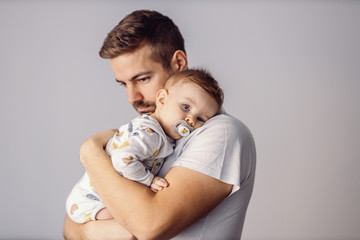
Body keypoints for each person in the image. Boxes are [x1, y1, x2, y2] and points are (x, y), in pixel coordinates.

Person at [63, 9, 256, 240]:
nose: (132, 97)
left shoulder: (221, 133)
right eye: (123, 84)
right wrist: (110, 229)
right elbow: (71, 223)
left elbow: (147, 227)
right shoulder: (151, 133)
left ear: (179, 63)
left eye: (142, 79)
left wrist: (90, 151)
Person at [65, 69, 224, 224]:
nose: (190, 120)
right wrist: (150, 180)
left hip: (93, 196)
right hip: (90, 201)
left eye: (201, 119)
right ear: (162, 100)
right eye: (186, 107)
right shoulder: (151, 134)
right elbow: (123, 160)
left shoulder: (161, 132)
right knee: (127, 221)